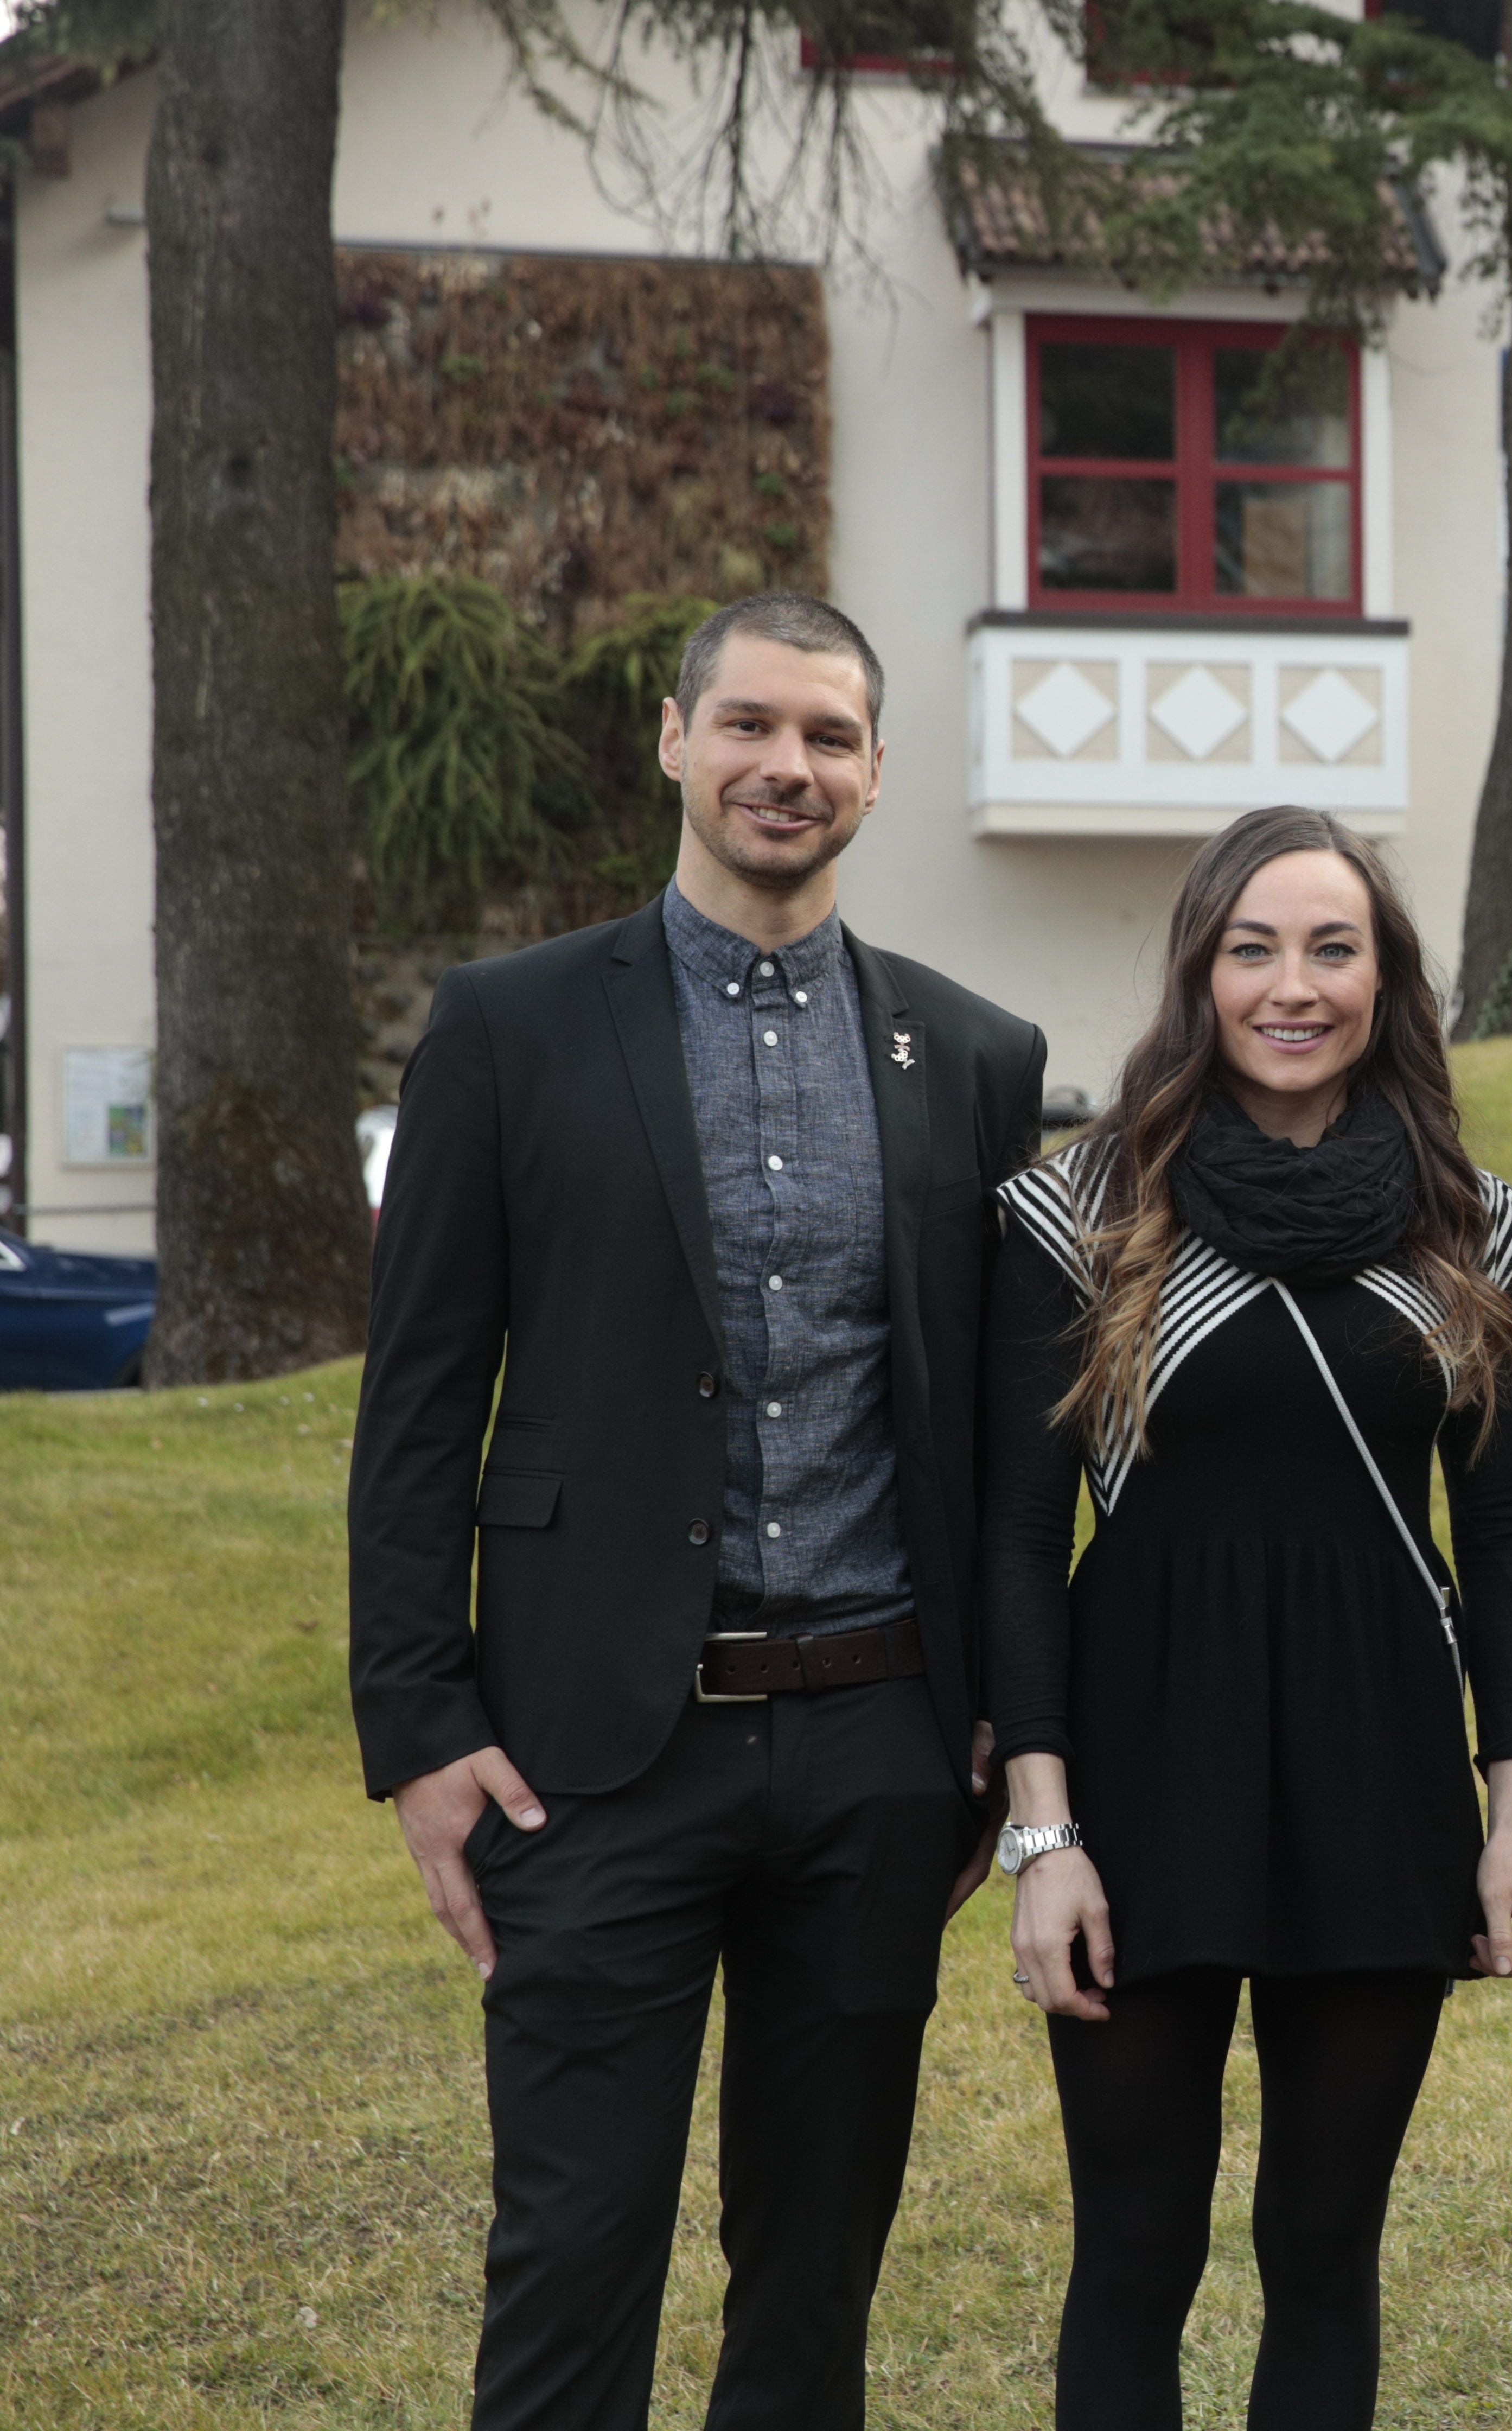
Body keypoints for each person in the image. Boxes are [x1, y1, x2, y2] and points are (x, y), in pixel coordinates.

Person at [347, 594, 1045, 2430]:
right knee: (574, 2253)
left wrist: (988, 1723)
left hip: (880, 1746)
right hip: (593, 1757)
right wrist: (423, 1727)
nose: (784, 767)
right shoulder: (507, 1030)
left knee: (815, 2273)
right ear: (676, 741)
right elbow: (419, 1403)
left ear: (878, 774)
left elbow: (986, 1433)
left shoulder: (973, 1056)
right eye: (749, 726)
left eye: (827, 737)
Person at [978, 807, 1512, 2429]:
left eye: (1332, 947)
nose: (1291, 987)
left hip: (1378, 1779)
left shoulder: (1469, 1223)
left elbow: (1509, 1533)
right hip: (1142, 1770)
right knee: (1137, 2246)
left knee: (1325, 2243)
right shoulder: (1080, 1215)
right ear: (1199, 973)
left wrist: (1511, 1816)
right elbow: (1021, 1545)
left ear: (1387, 980)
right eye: (1253, 948)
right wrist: (1048, 1838)